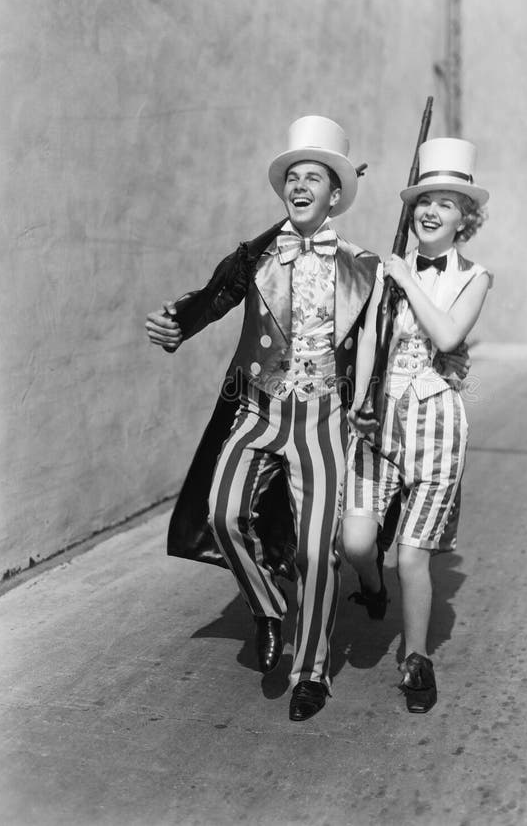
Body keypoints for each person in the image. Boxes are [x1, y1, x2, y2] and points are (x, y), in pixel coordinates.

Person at [146, 116, 381, 721]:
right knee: (221, 513)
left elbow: (381, 345)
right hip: (258, 408)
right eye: (292, 177)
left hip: (325, 419)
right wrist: (177, 326)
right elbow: (212, 297)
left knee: (316, 552)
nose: (300, 186)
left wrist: (374, 407)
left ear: (335, 194)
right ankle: (268, 605)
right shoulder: (257, 256)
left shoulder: (364, 267)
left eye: (314, 178)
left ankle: (311, 673)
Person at [341, 136, 493, 714]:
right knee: (356, 541)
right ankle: (371, 590)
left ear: (465, 219)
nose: (431, 210)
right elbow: (371, 342)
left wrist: (405, 278)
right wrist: (359, 398)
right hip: (379, 420)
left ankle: (416, 659)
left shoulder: (475, 277)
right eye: (424, 199)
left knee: (411, 556)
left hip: (437, 425)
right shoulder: (388, 271)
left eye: (447, 203)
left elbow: (449, 337)